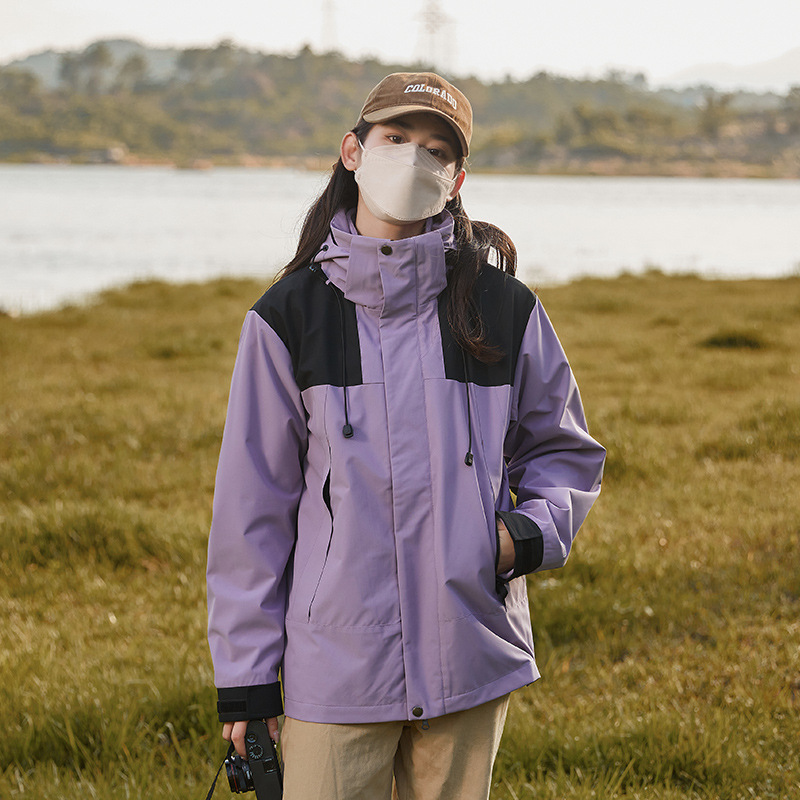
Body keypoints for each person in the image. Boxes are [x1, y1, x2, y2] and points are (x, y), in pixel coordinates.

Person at [206, 72, 605, 800]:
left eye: (435, 150)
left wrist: (516, 537)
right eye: (395, 138)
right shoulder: (286, 318)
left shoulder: (504, 308)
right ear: (352, 151)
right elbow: (249, 513)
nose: (412, 160)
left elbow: (563, 451)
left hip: (469, 652)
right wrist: (248, 679)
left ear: (456, 179)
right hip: (336, 667)